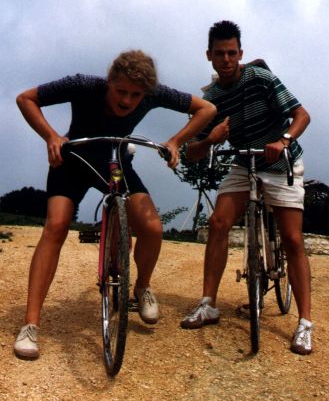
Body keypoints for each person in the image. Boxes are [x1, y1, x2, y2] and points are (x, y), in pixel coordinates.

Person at [14, 50, 217, 359]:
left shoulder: (153, 94)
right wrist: (52, 136)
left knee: (151, 227)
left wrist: (176, 141)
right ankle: (30, 325)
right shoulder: (83, 84)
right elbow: (25, 99)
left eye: (136, 95)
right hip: (75, 158)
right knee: (55, 226)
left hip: (115, 161)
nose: (127, 100)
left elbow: (207, 108)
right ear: (109, 82)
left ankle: (142, 287)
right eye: (121, 91)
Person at [180, 21, 313, 355]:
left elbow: (301, 115)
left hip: (279, 161)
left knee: (294, 239)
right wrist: (211, 139)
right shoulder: (208, 100)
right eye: (220, 53)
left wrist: (283, 140)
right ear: (209, 55)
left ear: (241, 53)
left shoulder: (260, 78)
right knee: (218, 223)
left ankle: (305, 323)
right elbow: (191, 153)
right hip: (243, 161)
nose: (226, 59)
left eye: (232, 53)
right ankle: (208, 304)